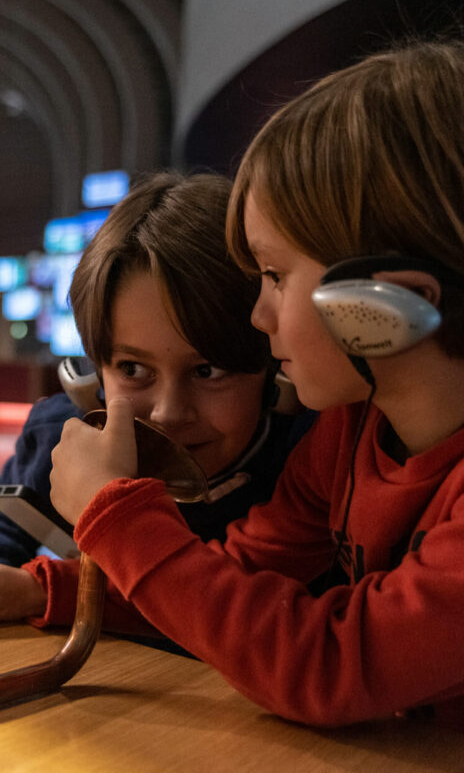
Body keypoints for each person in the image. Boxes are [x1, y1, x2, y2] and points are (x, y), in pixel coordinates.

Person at [35, 40, 464, 728]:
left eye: (274, 276)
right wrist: (42, 593)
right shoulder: (351, 433)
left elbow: (332, 667)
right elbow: (236, 585)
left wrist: (114, 514)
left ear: (391, 304)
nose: (258, 314)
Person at [0, 171, 310, 633]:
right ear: (90, 380)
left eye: (208, 371)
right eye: (132, 369)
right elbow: (6, 533)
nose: (168, 412)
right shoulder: (61, 435)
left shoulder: (310, 457)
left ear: (274, 375)